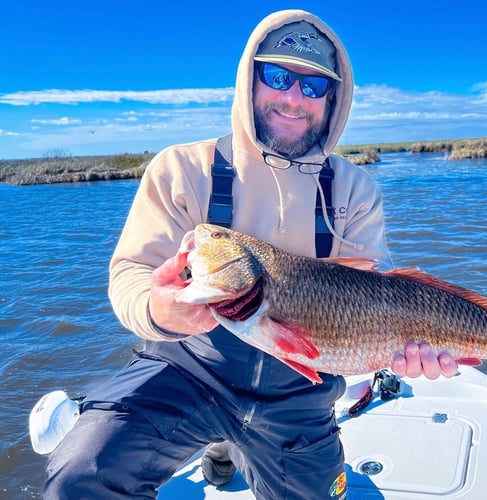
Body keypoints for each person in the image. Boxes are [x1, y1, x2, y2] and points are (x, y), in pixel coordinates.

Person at [43, 9, 457, 499]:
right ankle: (222, 441)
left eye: (313, 85)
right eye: (278, 76)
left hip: (301, 392)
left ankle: (232, 446)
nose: (293, 97)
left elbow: (376, 290)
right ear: (250, 79)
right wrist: (160, 309)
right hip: (187, 369)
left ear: (334, 98)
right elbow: (131, 271)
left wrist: (407, 353)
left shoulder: (355, 188)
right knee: (81, 474)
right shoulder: (180, 168)